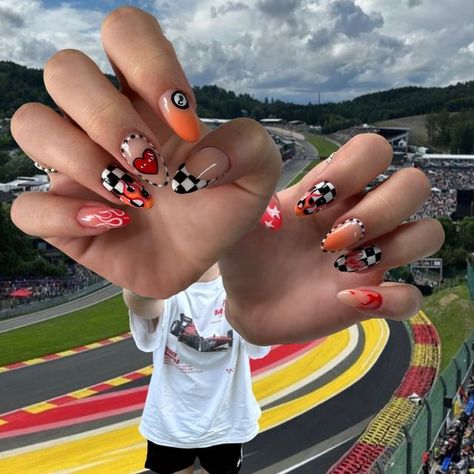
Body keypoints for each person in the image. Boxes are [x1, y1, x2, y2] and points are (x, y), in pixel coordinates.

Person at [9, 6, 445, 473]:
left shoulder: (243, 289)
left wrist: (267, 266)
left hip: (227, 426)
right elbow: (143, 301)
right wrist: (128, 240)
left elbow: (246, 324)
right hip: (168, 427)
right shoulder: (167, 288)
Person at [123, 263, 269, 473]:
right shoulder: (165, 285)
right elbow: (143, 304)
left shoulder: (241, 285)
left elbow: (259, 341)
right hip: (171, 422)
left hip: (225, 422)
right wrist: (133, 265)